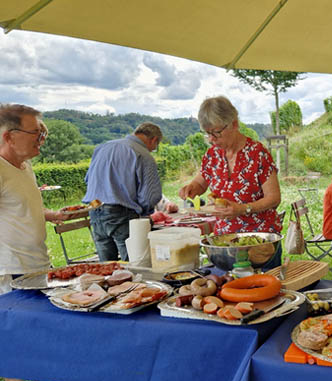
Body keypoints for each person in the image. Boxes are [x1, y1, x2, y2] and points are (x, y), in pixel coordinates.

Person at [0, 104, 69, 381]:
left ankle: (42, 378)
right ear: (9, 136)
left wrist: (49, 214)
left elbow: (18, 207)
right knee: (11, 332)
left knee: (36, 324)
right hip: (8, 266)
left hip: (34, 262)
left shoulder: (23, 166)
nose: (42, 138)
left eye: (42, 131)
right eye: (36, 132)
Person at [178, 96, 282, 268]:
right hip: (225, 243)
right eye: (208, 133)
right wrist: (191, 188)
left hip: (259, 244)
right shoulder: (212, 155)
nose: (211, 139)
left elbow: (274, 198)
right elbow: (201, 182)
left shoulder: (257, 153)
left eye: (216, 132)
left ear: (234, 124)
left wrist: (242, 209)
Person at [83, 122, 163, 261]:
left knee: (107, 269)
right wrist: (144, 213)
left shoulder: (102, 147)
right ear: (154, 140)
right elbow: (150, 196)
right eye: (155, 147)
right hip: (121, 213)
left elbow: (88, 179)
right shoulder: (143, 154)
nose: (152, 150)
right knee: (133, 265)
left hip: (95, 209)